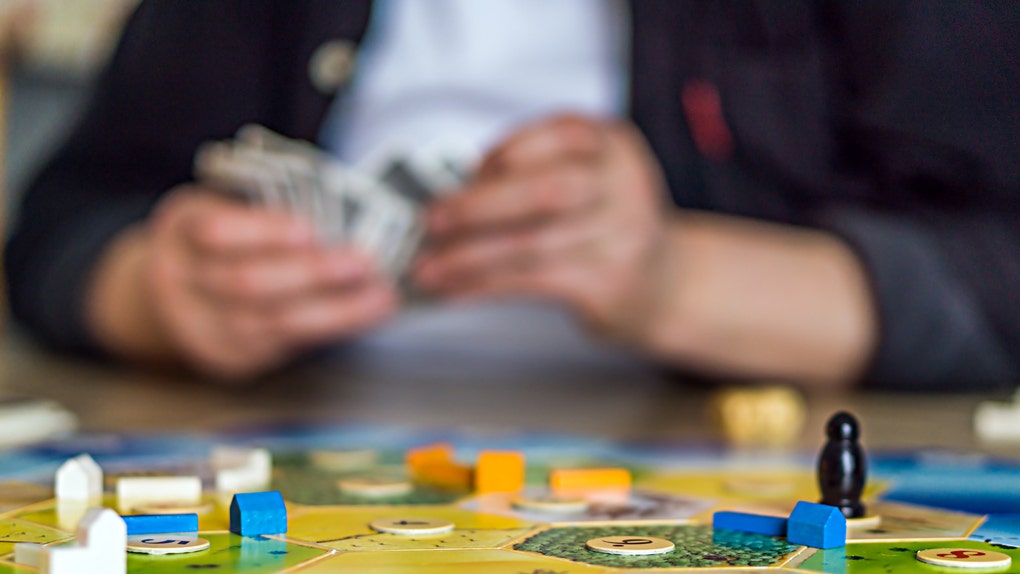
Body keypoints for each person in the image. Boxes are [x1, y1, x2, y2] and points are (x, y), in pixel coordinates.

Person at [5, 1, 1018, 389]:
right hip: (299, 459)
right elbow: (65, 223)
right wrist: (153, 290)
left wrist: (672, 279)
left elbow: (999, 280)